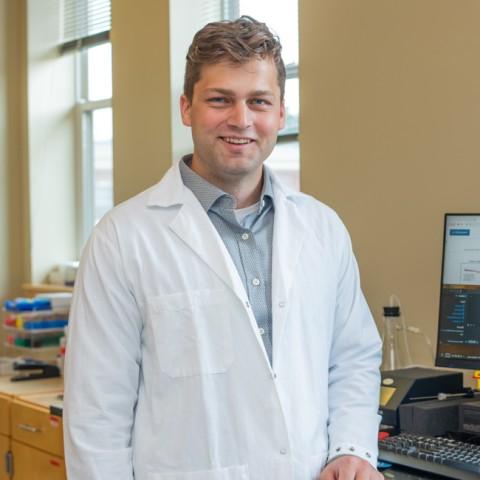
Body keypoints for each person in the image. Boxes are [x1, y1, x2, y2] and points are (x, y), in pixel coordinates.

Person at [64, 16, 383, 480]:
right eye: (219, 100)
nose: (241, 120)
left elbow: (352, 357)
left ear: (281, 112)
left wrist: (352, 449)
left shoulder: (322, 228)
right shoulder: (122, 239)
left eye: (258, 101)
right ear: (186, 108)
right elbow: (96, 417)